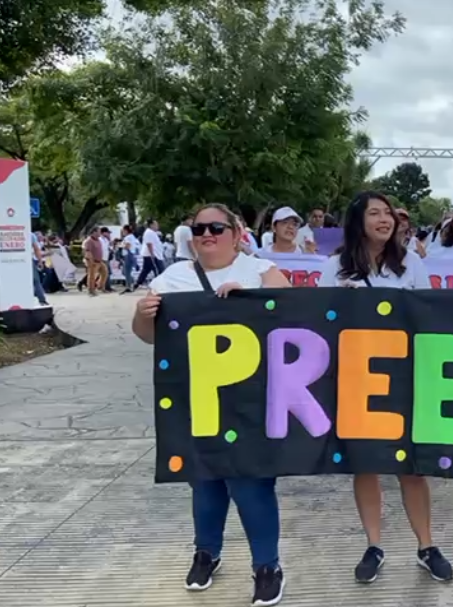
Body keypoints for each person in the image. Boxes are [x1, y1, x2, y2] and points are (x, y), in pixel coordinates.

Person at [132, 203, 291, 606]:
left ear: (237, 233)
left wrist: (254, 301)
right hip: (196, 398)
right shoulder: (174, 276)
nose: (206, 234)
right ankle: (206, 552)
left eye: (216, 227)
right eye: (199, 228)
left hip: (252, 400)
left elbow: (294, 320)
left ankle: (267, 565)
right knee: (203, 479)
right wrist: (142, 314)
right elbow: (148, 337)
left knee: (249, 481)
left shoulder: (260, 271)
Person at [316, 192, 453, 584]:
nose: (384, 219)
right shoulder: (334, 267)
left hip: (404, 374)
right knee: (367, 463)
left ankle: (426, 545)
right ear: (357, 221)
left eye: (388, 213)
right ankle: (373, 545)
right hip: (356, 377)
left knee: (411, 466)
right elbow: (319, 321)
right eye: (374, 213)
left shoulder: (411, 264)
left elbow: (428, 316)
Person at [134, 219, 167, 287]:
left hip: (154, 255)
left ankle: (138, 283)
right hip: (152, 255)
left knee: (146, 270)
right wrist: (152, 254)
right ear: (151, 225)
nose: (157, 226)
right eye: (156, 224)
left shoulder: (152, 233)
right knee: (159, 270)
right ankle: (161, 284)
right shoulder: (149, 232)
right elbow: (149, 244)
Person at [81, 228, 106, 296]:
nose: (99, 233)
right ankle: (91, 290)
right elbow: (87, 251)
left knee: (104, 272)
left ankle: (99, 286)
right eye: (98, 232)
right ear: (94, 232)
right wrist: (90, 261)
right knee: (91, 276)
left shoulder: (98, 240)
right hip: (93, 261)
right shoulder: (89, 241)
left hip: (100, 261)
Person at [30, 230, 49, 306]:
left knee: (35, 280)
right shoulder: (30, 235)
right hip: (28, 260)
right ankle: (42, 300)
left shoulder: (31, 235)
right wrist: (40, 261)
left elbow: (36, 249)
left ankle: (42, 299)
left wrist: (40, 261)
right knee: (36, 280)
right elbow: (36, 249)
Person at [120, 225, 141, 293]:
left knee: (126, 272)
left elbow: (128, 246)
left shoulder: (127, 237)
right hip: (132, 255)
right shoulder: (132, 237)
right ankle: (129, 285)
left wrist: (121, 246)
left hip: (128, 255)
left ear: (126, 230)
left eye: (123, 231)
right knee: (127, 272)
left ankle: (129, 286)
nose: (122, 232)